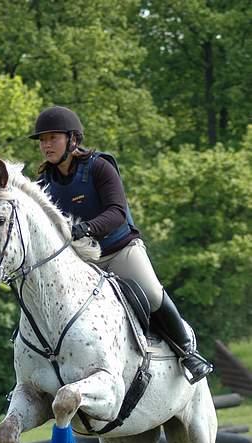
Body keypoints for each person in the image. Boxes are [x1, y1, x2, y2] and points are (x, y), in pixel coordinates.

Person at [29, 105, 213, 384]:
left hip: (119, 250)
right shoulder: (44, 182)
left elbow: (116, 211)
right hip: (82, 260)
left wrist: (86, 228)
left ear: (73, 139)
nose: (46, 145)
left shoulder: (99, 167)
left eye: (52, 138)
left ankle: (188, 352)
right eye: (42, 140)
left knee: (151, 293)